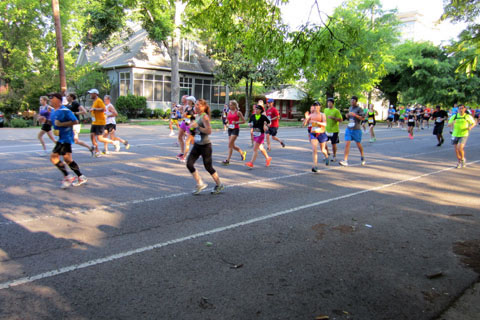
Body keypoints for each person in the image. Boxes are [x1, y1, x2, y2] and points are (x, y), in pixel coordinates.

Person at [48, 93, 87, 188]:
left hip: (66, 138)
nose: (50, 99)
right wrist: (44, 121)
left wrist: (62, 124)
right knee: (68, 159)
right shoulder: (53, 111)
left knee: (54, 157)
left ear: (57, 100)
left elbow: (75, 121)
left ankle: (68, 176)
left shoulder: (65, 110)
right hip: (60, 138)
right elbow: (52, 122)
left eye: (51, 98)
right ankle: (81, 176)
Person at [186, 99, 224, 195]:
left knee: (208, 167)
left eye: (199, 105)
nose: (197, 106)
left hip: (205, 146)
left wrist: (197, 127)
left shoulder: (204, 117)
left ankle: (219, 184)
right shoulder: (197, 116)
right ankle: (200, 183)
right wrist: (191, 128)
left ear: (203, 107)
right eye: (196, 105)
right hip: (197, 144)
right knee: (189, 164)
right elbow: (195, 130)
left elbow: (209, 131)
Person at [87, 89, 119, 157]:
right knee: (92, 136)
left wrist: (94, 109)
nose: (90, 94)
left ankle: (114, 142)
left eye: (91, 93)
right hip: (95, 122)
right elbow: (94, 110)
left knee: (100, 138)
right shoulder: (94, 101)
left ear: (95, 94)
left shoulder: (99, 100)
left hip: (100, 122)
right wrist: (91, 110)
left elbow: (103, 109)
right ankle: (97, 151)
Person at [339, 96, 366, 166]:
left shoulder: (359, 109)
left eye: (353, 101)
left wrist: (355, 115)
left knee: (358, 144)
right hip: (349, 128)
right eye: (351, 101)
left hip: (356, 129)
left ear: (356, 101)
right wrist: (347, 115)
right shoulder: (350, 108)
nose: (352, 102)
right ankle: (345, 160)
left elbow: (363, 118)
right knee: (347, 143)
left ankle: (362, 156)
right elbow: (350, 117)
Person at [306, 102, 329, 172]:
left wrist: (317, 123)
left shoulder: (322, 115)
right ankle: (315, 166)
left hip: (321, 133)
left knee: (323, 150)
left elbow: (325, 124)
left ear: (319, 107)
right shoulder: (311, 115)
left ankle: (326, 156)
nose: (315, 107)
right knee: (314, 149)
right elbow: (305, 123)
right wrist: (306, 119)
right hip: (313, 133)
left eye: (317, 106)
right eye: (314, 106)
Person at [222, 100, 247, 165]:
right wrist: (227, 123)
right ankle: (242, 153)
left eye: (231, 105)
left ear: (234, 105)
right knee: (232, 145)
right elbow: (227, 120)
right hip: (230, 129)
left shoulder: (238, 112)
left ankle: (227, 160)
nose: (230, 106)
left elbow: (244, 121)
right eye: (229, 105)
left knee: (230, 144)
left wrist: (236, 122)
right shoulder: (228, 112)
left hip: (236, 129)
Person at [177, 95, 195, 162]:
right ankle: (182, 152)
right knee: (179, 137)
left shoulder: (194, 108)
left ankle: (184, 157)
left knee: (188, 142)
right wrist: (181, 111)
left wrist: (192, 119)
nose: (187, 101)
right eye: (187, 100)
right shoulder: (187, 107)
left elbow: (196, 117)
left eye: (188, 100)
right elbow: (183, 115)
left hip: (190, 125)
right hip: (184, 123)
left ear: (191, 101)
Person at [324, 97, 342, 162]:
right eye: (328, 103)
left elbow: (340, 120)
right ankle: (327, 154)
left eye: (330, 103)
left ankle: (334, 156)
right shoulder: (325, 110)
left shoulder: (336, 111)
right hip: (326, 129)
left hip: (334, 130)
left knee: (333, 144)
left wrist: (333, 118)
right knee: (323, 143)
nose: (329, 104)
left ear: (333, 104)